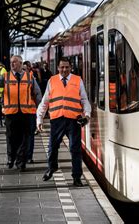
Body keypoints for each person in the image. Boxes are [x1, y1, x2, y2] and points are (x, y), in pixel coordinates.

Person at [0, 55, 42, 171]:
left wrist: (39, 111)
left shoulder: (30, 77)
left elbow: (37, 94)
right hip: (11, 113)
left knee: (24, 139)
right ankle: (11, 158)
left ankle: (21, 162)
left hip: (26, 113)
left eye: (15, 62)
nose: (12, 64)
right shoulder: (5, 77)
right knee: (11, 138)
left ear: (21, 64)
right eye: (11, 62)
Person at [37, 57, 91, 187]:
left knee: (75, 149)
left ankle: (77, 177)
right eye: (62, 67)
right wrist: (39, 119)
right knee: (52, 147)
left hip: (73, 121)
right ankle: (52, 168)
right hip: (57, 120)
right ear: (58, 68)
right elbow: (45, 102)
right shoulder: (52, 80)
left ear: (71, 67)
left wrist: (87, 115)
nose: (64, 69)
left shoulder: (78, 80)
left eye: (67, 67)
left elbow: (84, 100)